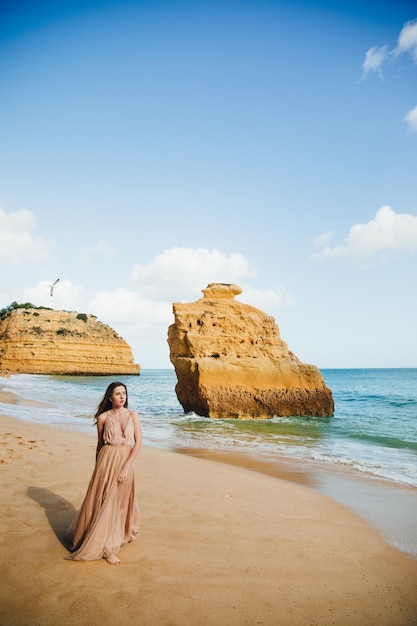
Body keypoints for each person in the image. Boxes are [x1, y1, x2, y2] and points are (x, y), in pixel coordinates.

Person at [66, 381, 141, 565]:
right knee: (106, 501)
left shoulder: (133, 415)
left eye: (124, 393)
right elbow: (99, 446)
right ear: (110, 397)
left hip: (126, 461)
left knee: (120, 502)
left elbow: (138, 443)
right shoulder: (103, 418)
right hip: (107, 461)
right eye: (118, 393)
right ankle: (108, 548)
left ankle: (116, 535)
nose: (122, 396)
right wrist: (98, 471)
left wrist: (125, 467)